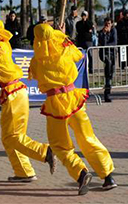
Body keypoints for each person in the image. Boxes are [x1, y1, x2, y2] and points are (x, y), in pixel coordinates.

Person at [29, 24, 116, 195]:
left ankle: (80, 172)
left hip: (55, 104)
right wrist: (63, 38)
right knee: (87, 138)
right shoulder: (65, 49)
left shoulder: (36, 60)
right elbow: (79, 55)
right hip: (74, 99)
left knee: (59, 145)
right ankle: (108, 176)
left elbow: (36, 75)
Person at [0, 18, 55, 182]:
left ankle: (45, 152)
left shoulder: (0, 47)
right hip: (12, 94)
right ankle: (24, 171)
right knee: (10, 137)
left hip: (14, 94)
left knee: (12, 137)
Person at [98, 18, 117, 102]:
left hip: (112, 53)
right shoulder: (102, 32)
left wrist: (107, 44)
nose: (107, 25)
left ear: (111, 24)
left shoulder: (114, 31)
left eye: (109, 23)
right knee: (108, 64)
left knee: (111, 72)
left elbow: (114, 42)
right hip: (104, 53)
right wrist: (105, 34)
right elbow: (102, 43)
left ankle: (108, 87)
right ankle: (107, 93)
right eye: (106, 24)